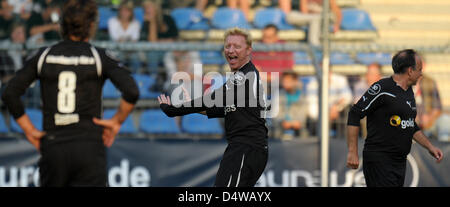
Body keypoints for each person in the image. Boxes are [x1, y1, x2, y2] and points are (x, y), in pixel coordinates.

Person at [1, 0, 139, 187]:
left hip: (54, 145)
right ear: (91, 26)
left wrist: (30, 130)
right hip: (88, 145)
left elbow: (10, 93)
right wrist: (117, 121)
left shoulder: (44, 55)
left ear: (61, 26)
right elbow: (131, 91)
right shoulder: (98, 56)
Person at [158, 28, 268, 187]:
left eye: (237, 46)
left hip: (246, 148)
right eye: (227, 46)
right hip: (243, 148)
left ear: (249, 50)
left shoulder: (246, 75)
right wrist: (193, 105)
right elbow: (217, 108)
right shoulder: (239, 77)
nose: (231, 50)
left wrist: (174, 109)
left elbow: (213, 99)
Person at [346, 49, 443, 187]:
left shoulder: (408, 91)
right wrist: (352, 152)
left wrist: (430, 147)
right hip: (380, 161)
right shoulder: (382, 88)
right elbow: (355, 114)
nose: (421, 73)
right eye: (419, 69)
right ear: (410, 71)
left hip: (399, 162)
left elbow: (410, 125)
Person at [305, 69, 352, 137]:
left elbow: (348, 98)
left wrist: (336, 108)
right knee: (312, 121)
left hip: (337, 113)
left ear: (330, 72)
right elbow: (312, 110)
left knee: (347, 112)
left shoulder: (340, 80)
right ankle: (317, 142)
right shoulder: (312, 85)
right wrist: (327, 115)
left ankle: (342, 140)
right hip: (320, 117)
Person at [107, 0, 141, 72]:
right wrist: (128, 40)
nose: (124, 13)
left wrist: (124, 40)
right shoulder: (112, 21)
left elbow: (135, 39)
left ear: (131, 12)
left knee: (136, 58)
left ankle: (136, 77)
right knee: (119, 57)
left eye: (127, 10)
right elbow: (115, 38)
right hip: (116, 51)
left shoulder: (136, 23)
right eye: (122, 10)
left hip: (131, 51)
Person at [351, 62, 383, 138]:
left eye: (373, 74)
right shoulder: (359, 86)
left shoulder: (386, 84)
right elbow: (358, 103)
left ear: (379, 75)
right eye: (369, 73)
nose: (369, 76)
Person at [414, 59, 442, 139]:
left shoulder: (430, 82)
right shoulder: (404, 83)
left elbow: (437, 108)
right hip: (408, 124)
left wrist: (429, 118)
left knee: (445, 121)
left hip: (427, 125)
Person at [275, 71, 308, 139]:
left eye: (288, 81)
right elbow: (276, 114)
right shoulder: (279, 95)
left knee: (305, 133)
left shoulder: (302, 96)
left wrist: (296, 122)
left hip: (299, 127)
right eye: (284, 81)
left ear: (295, 81)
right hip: (281, 127)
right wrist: (283, 122)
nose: (285, 83)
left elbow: (303, 114)